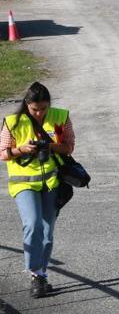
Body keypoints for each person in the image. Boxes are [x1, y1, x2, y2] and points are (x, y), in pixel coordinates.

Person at [0, 82, 75, 299]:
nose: (40, 113)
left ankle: (41, 275)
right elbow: (3, 153)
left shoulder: (61, 117)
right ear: (27, 105)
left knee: (47, 231)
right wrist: (21, 149)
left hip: (51, 182)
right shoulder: (13, 122)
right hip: (23, 183)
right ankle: (34, 271)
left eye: (44, 108)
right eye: (35, 109)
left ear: (49, 104)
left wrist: (49, 146)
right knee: (32, 224)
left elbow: (69, 146)